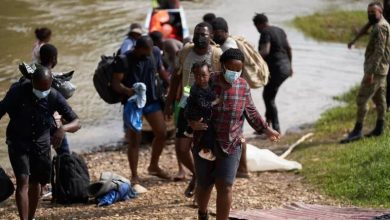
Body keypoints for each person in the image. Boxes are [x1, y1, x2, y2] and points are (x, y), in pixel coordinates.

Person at [189, 48, 280, 220]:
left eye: (239, 70)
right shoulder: (207, 80)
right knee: (204, 184)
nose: (235, 73)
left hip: (231, 143)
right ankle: (202, 213)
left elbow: (251, 111)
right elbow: (190, 104)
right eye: (231, 69)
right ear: (222, 66)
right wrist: (191, 122)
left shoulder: (243, 86)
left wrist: (266, 129)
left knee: (225, 185)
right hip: (205, 141)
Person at [0, 66, 81, 220]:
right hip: (18, 142)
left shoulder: (54, 96)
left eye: (46, 88)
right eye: (38, 88)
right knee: (22, 180)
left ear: (51, 84)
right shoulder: (17, 92)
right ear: (32, 82)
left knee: (36, 182)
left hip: (41, 145)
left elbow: (76, 122)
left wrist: (62, 129)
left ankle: (31, 217)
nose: (42, 92)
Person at [164, 22, 222, 197]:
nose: (200, 37)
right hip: (186, 101)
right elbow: (176, 76)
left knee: (204, 149)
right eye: (197, 33)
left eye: (204, 34)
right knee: (182, 149)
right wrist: (168, 101)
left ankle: (203, 187)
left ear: (210, 36)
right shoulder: (185, 52)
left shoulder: (217, 55)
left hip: (208, 106)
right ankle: (197, 175)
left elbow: (221, 82)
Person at [112, 36, 171, 184]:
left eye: (151, 50)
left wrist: (170, 84)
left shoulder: (155, 52)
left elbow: (161, 70)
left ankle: (154, 165)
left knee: (161, 133)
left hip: (151, 100)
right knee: (134, 140)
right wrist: (128, 91)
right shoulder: (124, 60)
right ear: (138, 49)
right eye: (147, 50)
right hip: (133, 103)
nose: (149, 53)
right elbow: (115, 84)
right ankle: (134, 175)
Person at [341, 2, 390, 143]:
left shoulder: (381, 27)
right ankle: (379, 128)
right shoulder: (381, 24)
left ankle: (357, 130)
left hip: (376, 70)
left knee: (362, 99)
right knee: (379, 99)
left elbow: (379, 51)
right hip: (381, 69)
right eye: (368, 12)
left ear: (380, 12)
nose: (370, 15)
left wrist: (371, 72)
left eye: (372, 13)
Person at [211, 17, 250, 178]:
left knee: (239, 137)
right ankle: (240, 169)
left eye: (215, 32)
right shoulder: (213, 79)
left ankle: (242, 169)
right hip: (222, 118)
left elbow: (251, 110)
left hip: (235, 101)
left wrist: (266, 129)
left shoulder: (228, 47)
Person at [253, 13, 293, 134]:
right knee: (268, 96)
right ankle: (268, 125)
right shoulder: (279, 30)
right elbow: (289, 48)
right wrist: (291, 67)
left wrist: (252, 58)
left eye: (256, 26)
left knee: (268, 97)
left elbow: (265, 51)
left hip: (276, 69)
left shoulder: (265, 32)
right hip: (285, 68)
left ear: (260, 24)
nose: (257, 30)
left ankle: (275, 129)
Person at [348, 0, 390, 111]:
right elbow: (367, 26)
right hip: (384, 55)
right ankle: (385, 108)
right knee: (383, 83)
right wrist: (354, 40)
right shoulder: (380, 14)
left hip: (384, 53)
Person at [39, 44, 71, 155]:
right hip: (52, 123)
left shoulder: (34, 76)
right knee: (64, 154)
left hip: (34, 125)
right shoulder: (52, 79)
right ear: (54, 59)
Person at [184, 61, 220, 161]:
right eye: (197, 76)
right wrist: (215, 102)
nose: (200, 79)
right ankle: (205, 150)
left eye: (204, 75)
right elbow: (203, 105)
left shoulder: (212, 83)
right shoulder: (195, 90)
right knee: (206, 129)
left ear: (210, 73)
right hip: (195, 112)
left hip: (201, 111)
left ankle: (189, 131)